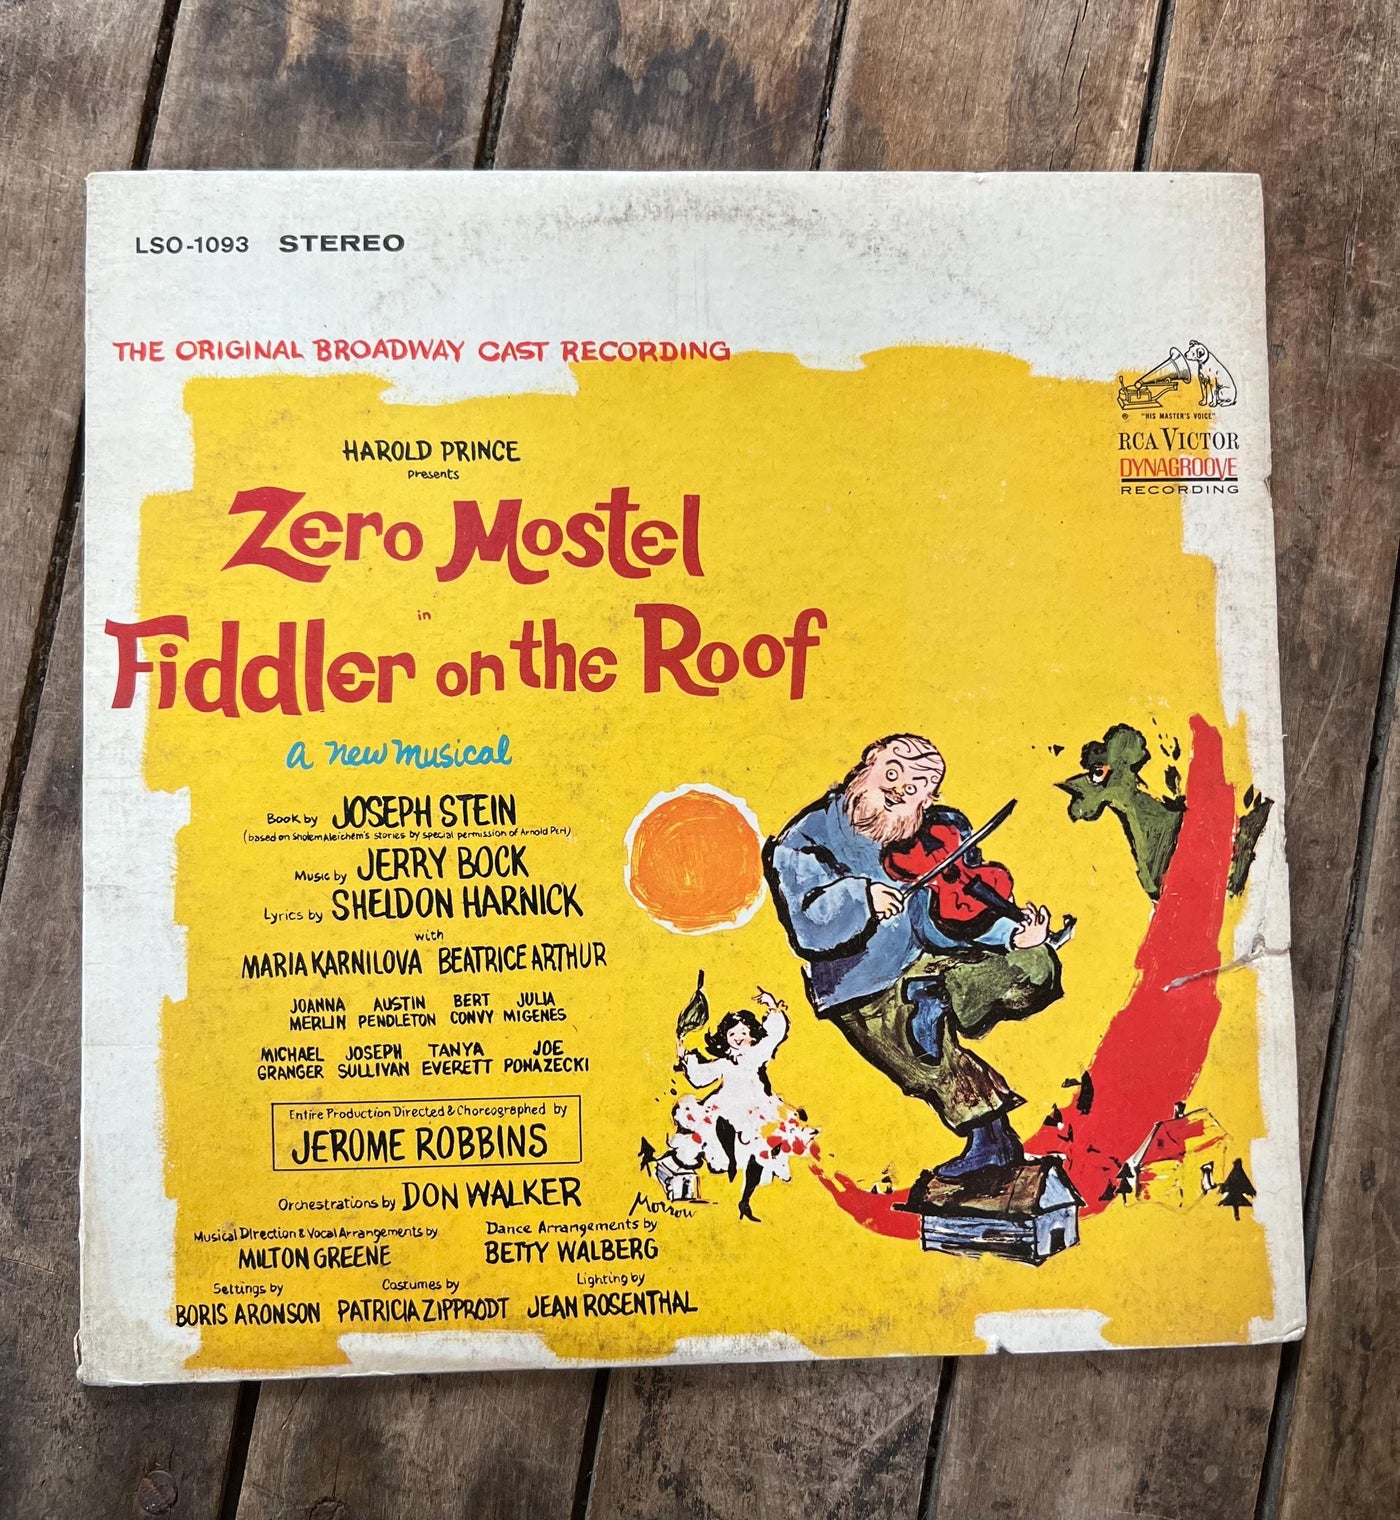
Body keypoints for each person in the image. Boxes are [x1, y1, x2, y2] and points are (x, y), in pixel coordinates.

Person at [764, 734, 1067, 1179]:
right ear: (865, 767)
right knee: (932, 1065)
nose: (898, 791)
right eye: (892, 774)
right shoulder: (804, 839)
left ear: (927, 800)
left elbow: (947, 911)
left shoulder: (921, 833)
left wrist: (1011, 934)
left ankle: (939, 996)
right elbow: (808, 928)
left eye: (915, 788)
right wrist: (863, 899)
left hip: (925, 958)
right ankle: (993, 1145)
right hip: (862, 986)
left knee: (1034, 963)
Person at [670, 988, 815, 1221]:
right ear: (725, 1036)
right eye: (733, 1033)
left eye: (744, 1032)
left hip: (757, 1107)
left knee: (762, 1148)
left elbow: (775, 1034)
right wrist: (685, 1056)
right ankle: (730, 1163)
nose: (738, 1037)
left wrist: (771, 1005)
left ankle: (746, 1198)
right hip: (727, 1105)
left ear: (752, 1035)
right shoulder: (724, 1063)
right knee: (716, 1131)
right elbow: (700, 1077)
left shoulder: (757, 1054)